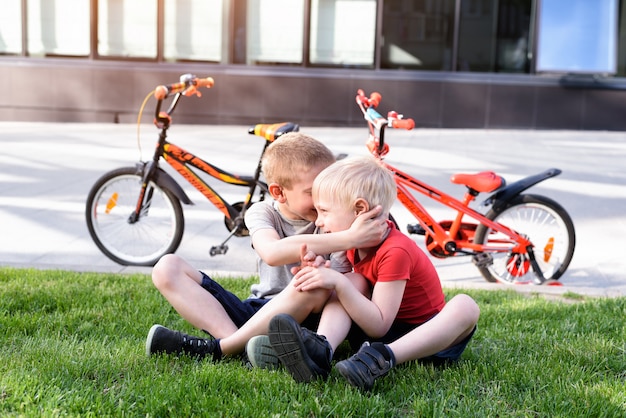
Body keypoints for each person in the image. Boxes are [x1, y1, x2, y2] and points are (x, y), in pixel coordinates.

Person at [145, 132, 388, 361]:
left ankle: (225, 349)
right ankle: (239, 347)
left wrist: (321, 270)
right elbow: (272, 252)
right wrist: (350, 239)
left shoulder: (334, 219)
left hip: (307, 321)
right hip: (258, 310)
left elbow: (343, 287)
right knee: (167, 267)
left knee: (314, 284)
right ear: (278, 192)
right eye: (312, 191)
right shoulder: (262, 212)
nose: (323, 197)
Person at [266, 155, 480, 390]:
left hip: (424, 339)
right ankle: (322, 350)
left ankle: (381, 358)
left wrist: (339, 283)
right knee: (353, 279)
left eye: (324, 211)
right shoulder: (354, 246)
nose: (319, 221)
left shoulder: (396, 250)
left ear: (360, 209)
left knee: (465, 305)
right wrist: (319, 274)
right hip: (376, 334)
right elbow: (364, 308)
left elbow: (379, 325)